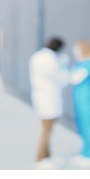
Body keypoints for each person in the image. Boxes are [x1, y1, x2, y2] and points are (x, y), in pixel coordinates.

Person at [29, 37, 69, 168]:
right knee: (47, 129)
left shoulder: (37, 56)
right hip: (48, 98)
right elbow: (58, 78)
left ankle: (47, 155)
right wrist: (66, 71)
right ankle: (40, 158)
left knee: (47, 128)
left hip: (41, 96)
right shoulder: (50, 59)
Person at [69, 39, 90, 167]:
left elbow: (74, 78)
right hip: (79, 98)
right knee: (82, 125)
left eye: (76, 49)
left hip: (87, 98)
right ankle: (86, 152)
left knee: (89, 125)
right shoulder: (81, 63)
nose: (75, 52)